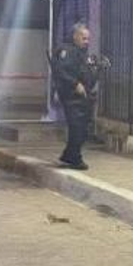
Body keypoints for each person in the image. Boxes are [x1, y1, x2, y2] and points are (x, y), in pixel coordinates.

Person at [52, 23, 99, 171]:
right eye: (84, 38)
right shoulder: (66, 51)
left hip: (83, 97)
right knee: (77, 128)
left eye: (88, 39)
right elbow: (60, 71)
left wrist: (97, 69)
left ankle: (69, 156)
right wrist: (75, 84)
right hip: (71, 97)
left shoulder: (82, 54)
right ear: (75, 36)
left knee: (83, 129)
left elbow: (88, 76)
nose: (87, 42)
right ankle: (75, 158)